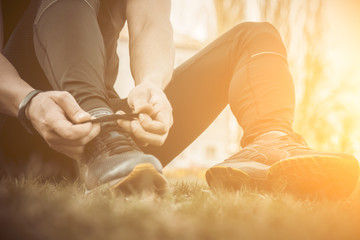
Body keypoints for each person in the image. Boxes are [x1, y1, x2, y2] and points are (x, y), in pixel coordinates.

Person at [0, 0, 358, 198]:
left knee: (255, 36)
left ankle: (271, 144)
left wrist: (152, 85)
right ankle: (96, 131)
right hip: (20, 116)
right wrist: (26, 101)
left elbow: (150, 24)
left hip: (115, 138)